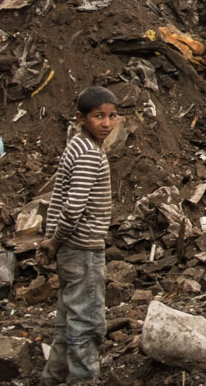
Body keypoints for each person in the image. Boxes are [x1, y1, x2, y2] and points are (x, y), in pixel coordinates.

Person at [40, 87, 119, 384]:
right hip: (82, 248)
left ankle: (53, 378)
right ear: (81, 118)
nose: (106, 124)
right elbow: (73, 209)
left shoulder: (77, 144)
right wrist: (55, 240)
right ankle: (82, 379)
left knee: (67, 322)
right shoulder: (89, 154)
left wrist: (55, 241)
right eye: (98, 116)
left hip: (71, 248)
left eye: (112, 116)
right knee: (87, 324)